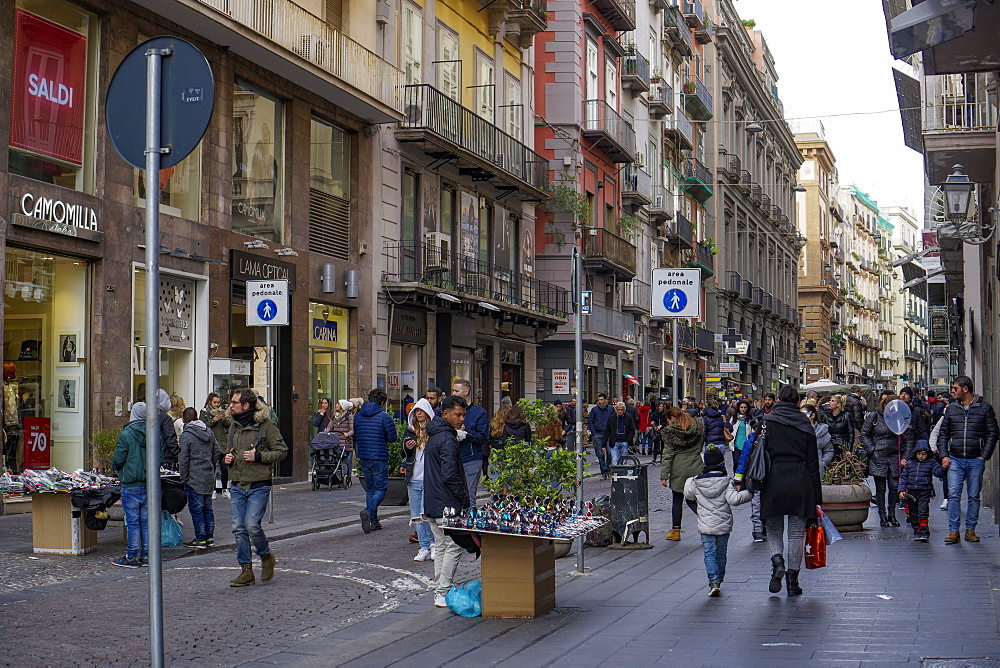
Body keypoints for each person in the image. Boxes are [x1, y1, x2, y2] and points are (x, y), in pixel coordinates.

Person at [757, 384, 821, 598]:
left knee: (774, 529)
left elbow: (756, 452)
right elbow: (814, 463)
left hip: (773, 478)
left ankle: (777, 562)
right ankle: (793, 582)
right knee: (796, 533)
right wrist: (816, 498)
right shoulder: (805, 423)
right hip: (800, 478)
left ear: (778, 400)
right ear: (797, 402)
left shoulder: (766, 422)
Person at [224, 389, 287, 587]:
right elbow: (231, 451)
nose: (230, 406)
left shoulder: (266, 426)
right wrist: (228, 458)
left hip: (258, 485)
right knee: (238, 528)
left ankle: (266, 556)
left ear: (246, 406)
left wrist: (258, 456)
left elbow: (282, 452)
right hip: (237, 484)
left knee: (251, 525)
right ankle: (246, 570)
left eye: (234, 403)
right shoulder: (233, 426)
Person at [423, 395, 472, 608]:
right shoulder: (447, 438)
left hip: (434, 500)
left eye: (463, 415)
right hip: (447, 502)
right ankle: (443, 590)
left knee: (442, 546)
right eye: (458, 415)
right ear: (445, 414)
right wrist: (464, 498)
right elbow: (450, 475)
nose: (462, 419)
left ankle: (439, 591)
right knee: (453, 546)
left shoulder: (434, 435)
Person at [684, 445, 752, 596]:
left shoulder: (695, 482)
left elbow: (687, 495)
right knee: (721, 554)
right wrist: (750, 493)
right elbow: (734, 500)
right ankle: (719, 580)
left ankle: (713, 581)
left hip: (706, 525)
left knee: (709, 553)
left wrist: (698, 510)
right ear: (722, 463)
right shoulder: (727, 482)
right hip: (723, 524)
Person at [938, 375, 998, 544]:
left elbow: (993, 433)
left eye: (955, 388)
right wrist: (944, 455)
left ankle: (970, 530)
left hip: (975, 459)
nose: (952, 391)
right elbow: (943, 434)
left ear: (965, 389)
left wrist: (983, 456)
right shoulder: (951, 409)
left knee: (973, 496)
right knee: (954, 495)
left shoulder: (985, 408)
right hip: (955, 458)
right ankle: (953, 530)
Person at [110, 402, 155, 568]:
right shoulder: (154, 433)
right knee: (145, 521)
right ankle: (146, 555)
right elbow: (161, 456)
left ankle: (131, 556)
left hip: (131, 483)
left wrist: (118, 469)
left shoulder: (126, 435)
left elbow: (118, 459)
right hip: (149, 484)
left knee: (133, 521)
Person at [861, 394, 914, 527]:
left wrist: (905, 457)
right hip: (879, 456)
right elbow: (864, 434)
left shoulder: (900, 418)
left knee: (893, 487)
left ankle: (892, 515)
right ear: (885, 405)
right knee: (880, 489)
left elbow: (908, 439)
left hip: (895, 456)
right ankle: (882, 516)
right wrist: (872, 449)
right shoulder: (874, 417)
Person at [353, 388, 399, 534]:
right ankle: (369, 511)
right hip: (379, 456)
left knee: (370, 489)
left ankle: (373, 521)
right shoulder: (384, 417)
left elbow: (356, 436)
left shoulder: (358, 416)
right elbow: (392, 438)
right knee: (380, 489)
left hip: (364, 456)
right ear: (383, 402)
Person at [660, 407, 704, 542]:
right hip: (696, 466)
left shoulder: (671, 433)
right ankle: (708, 522)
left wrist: (664, 474)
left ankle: (676, 531)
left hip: (679, 468)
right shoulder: (697, 427)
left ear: (671, 419)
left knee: (677, 499)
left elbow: (668, 455)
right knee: (693, 499)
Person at [179, 406, 219, 550]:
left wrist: (183, 478)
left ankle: (200, 539)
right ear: (197, 418)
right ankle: (209, 538)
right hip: (208, 476)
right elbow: (217, 451)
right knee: (207, 509)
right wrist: (210, 466)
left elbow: (183, 459)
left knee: (196, 510)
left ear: (184, 420)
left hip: (193, 478)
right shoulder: (208, 431)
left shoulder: (186, 435)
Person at [402, 398, 435, 561]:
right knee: (416, 515)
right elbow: (405, 453)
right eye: (416, 411)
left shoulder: (433, 431)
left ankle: (433, 544)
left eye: (421, 410)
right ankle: (424, 547)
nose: (419, 413)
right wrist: (407, 448)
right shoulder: (410, 430)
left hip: (429, 478)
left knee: (426, 513)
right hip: (413, 477)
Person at [898, 445, 945, 542]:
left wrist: (944, 467)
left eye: (923, 454)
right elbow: (904, 477)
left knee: (923, 511)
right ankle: (917, 530)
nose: (921, 456)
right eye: (919, 454)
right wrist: (902, 490)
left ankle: (924, 531)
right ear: (915, 454)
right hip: (911, 492)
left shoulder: (931, 463)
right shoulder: (910, 463)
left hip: (924, 491)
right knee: (913, 513)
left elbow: (938, 473)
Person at [451, 379, 488, 500]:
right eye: (453, 390)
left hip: (471, 459)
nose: (453, 393)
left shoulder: (479, 412)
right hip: (452, 458)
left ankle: (469, 518)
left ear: (466, 392)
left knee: (469, 497)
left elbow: (483, 437)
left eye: (456, 391)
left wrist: (466, 432)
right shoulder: (449, 411)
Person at [201, 393, 231, 500]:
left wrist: (224, 420)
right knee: (212, 468)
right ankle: (212, 489)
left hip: (222, 443)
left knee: (224, 468)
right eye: (215, 402)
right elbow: (204, 425)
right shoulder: (204, 412)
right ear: (210, 402)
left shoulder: (223, 411)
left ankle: (225, 488)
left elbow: (229, 424)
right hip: (211, 443)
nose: (217, 405)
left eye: (218, 402)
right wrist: (213, 420)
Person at [801, 404, 834, 474]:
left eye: (804, 414)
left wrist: (822, 463)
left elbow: (829, 451)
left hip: (817, 470)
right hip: (800, 470)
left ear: (812, 415)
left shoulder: (822, 431)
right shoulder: (797, 431)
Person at [821, 394, 855, 460]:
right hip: (829, 445)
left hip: (842, 445)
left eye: (833, 401)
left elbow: (851, 433)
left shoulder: (846, 416)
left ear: (838, 404)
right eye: (830, 401)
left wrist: (849, 449)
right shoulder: (826, 416)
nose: (829, 402)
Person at [587, 393, 613, 479]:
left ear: (606, 400)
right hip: (598, 433)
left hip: (608, 434)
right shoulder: (594, 410)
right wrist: (593, 433)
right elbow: (590, 421)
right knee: (600, 454)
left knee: (609, 453)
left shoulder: (610, 409)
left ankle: (608, 470)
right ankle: (604, 472)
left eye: (602, 400)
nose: (600, 401)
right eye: (599, 400)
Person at [603, 402, 636, 466]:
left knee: (623, 460)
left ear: (624, 410)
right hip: (614, 442)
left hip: (624, 442)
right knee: (615, 459)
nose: (620, 411)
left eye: (621, 409)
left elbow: (632, 429)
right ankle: (616, 474)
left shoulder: (628, 417)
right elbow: (607, 431)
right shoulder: (611, 418)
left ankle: (622, 474)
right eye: (618, 409)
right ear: (616, 410)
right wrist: (604, 445)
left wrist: (628, 440)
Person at [899, 387, 930, 454]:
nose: (903, 396)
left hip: (912, 445)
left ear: (910, 397)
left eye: (906, 394)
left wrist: (925, 445)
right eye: (901, 393)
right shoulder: (895, 411)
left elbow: (922, 430)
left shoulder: (915, 412)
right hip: (897, 446)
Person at [328, 399, 355, 475]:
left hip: (346, 443)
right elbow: (329, 426)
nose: (336, 405)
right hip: (336, 442)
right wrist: (326, 433)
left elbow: (352, 429)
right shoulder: (334, 416)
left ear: (342, 407)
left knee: (346, 461)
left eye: (338, 404)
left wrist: (348, 434)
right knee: (336, 461)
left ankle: (347, 477)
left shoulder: (349, 416)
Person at [730, 399, 757, 472]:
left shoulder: (751, 418)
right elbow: (731, 429)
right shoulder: (734, 417)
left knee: (745, 463)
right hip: (736, 444)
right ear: (738, 408)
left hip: (746, 444)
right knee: (736, 462)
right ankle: (736, 478)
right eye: (741, 407)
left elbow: (753, 430)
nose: (743, 409)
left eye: (745, 407)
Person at [156, 389, 180, 468]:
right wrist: (178, 454)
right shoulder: (165, 418)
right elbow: (170, 438)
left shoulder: (146, 415)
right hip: (165, 457)